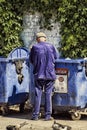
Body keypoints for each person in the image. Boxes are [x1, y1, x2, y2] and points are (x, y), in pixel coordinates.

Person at [29, 32, 58, 120]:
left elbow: (31, 60)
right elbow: (56, 57)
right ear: (45, 38)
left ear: (37, 39)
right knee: (48, 94)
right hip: (50, 74)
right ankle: (48, 116)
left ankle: (35, 115)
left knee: (38, 94)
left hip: (38, 74)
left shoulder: (35, 47)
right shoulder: (51, 46)